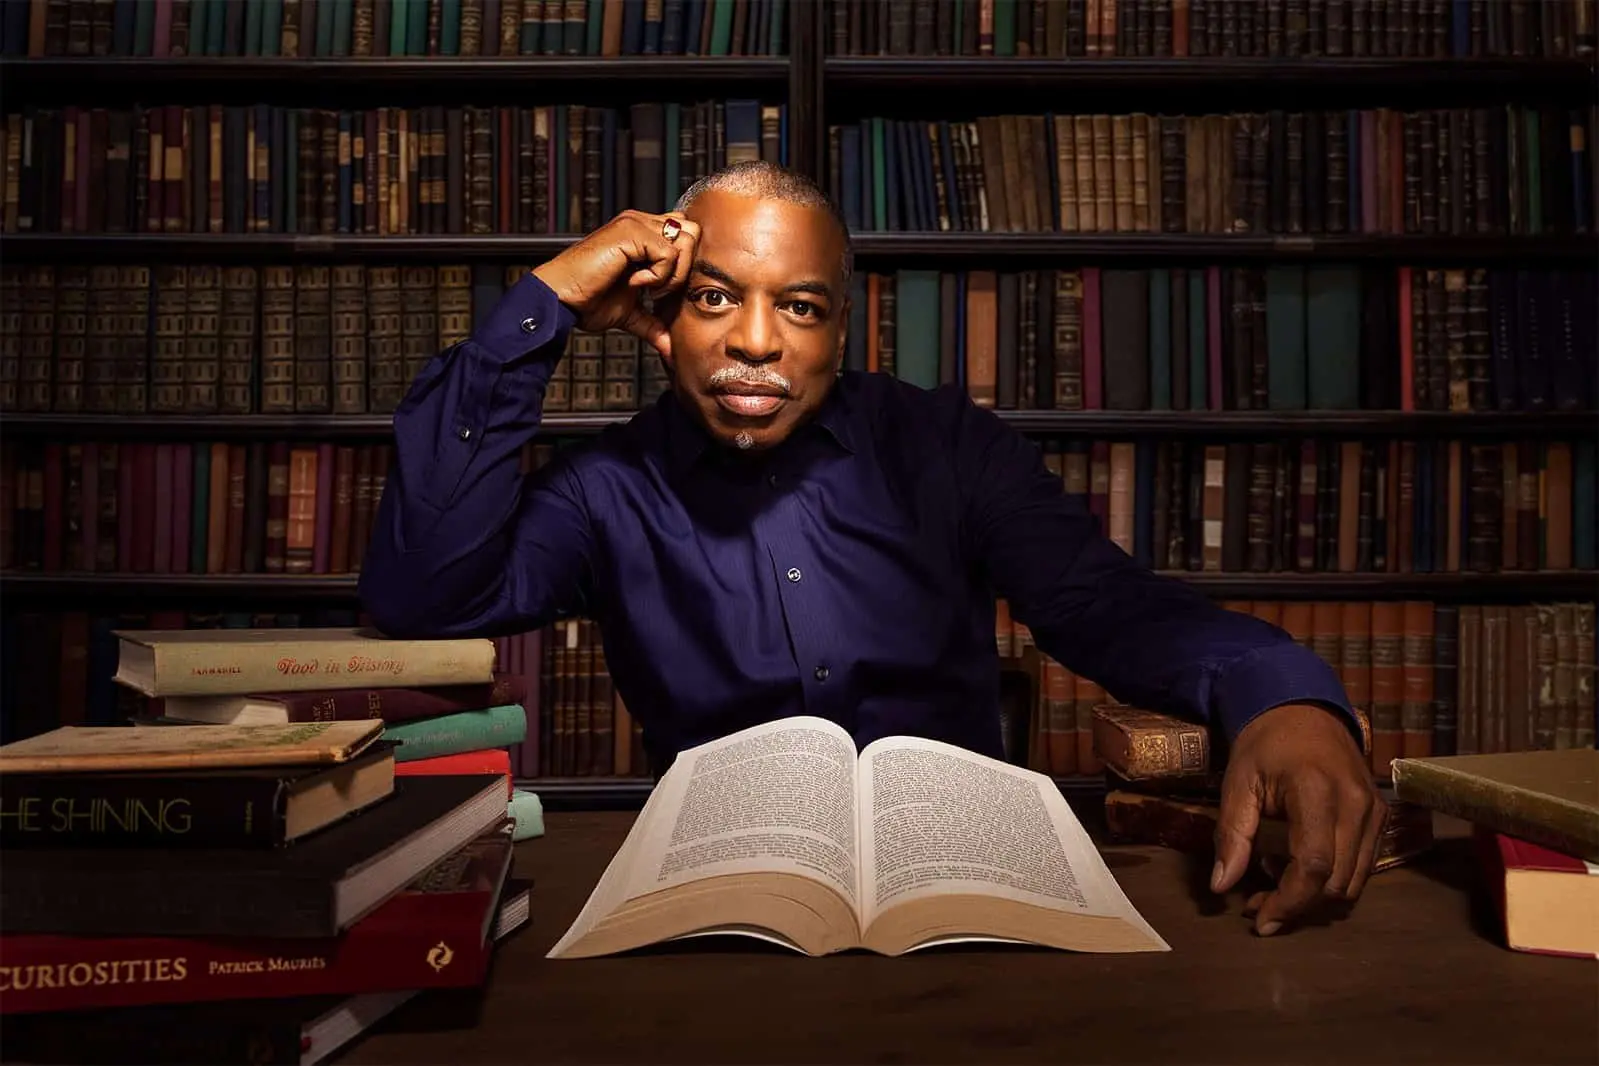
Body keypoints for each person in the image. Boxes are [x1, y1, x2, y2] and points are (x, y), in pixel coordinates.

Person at [359, 159, 1385, 939]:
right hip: (720, 910)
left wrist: (1281, 692)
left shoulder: (948, 448)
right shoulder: (605, 489)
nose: (757, 341)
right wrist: (546, 305)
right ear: (661, 317)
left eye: (798, 307)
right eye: (714, 296)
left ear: (842, 330)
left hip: (966, 902)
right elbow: (424, 595)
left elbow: (1106, 608)